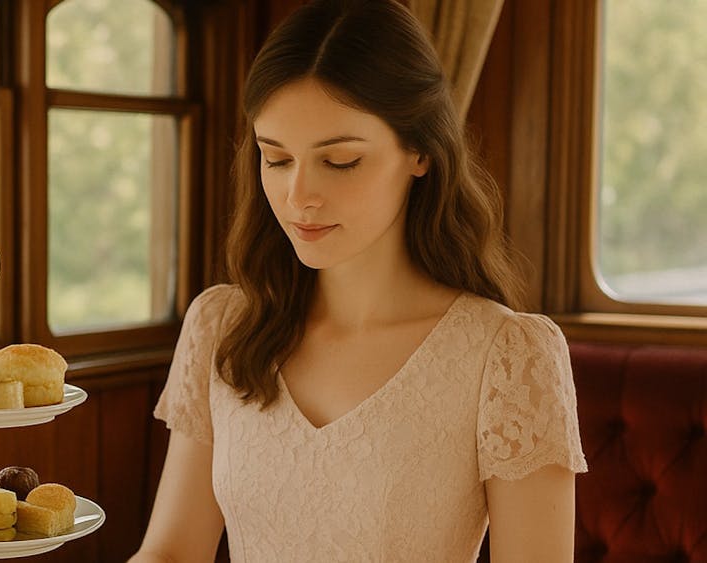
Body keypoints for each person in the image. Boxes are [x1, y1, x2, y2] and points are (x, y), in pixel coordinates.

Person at [130, 0, 587, 561]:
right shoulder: (221, 326)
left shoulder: (507, 355)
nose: (299, 197)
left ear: (419, 151)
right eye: (275, 159)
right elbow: (171, 552)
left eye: (340, 161)